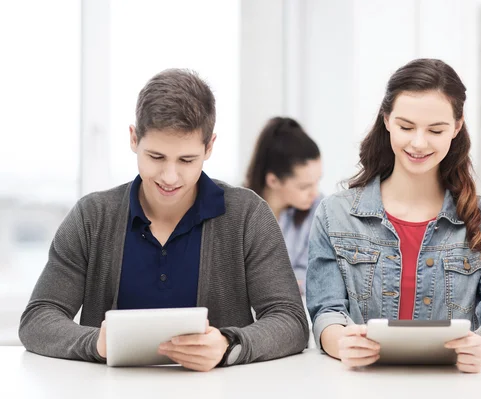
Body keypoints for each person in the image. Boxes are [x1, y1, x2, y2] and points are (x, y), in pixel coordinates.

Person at [19, 69, 309, 371]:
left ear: (209, 147)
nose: (170, 177)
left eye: (186, 160)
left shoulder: (248, 215)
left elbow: (290, 321)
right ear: (134, 138)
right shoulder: (92, 217)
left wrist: (227, 345)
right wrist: (96, 344)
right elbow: (38, 319)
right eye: (156, 157)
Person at [306, 59, 481, 373]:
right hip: (362, 385)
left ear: (457, 127)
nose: (418, 143)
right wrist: (342, 343)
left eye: (435, 130)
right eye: (406, 127)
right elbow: (326, 311)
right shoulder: (335, 214)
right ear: (386, 120)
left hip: (454, 386)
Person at [245, 117, 322, 294]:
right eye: (305, 186)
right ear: (273, 180)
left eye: (317, 181)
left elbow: (315, 275)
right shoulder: (238, 211)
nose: (315, 192)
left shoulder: (318, 210)